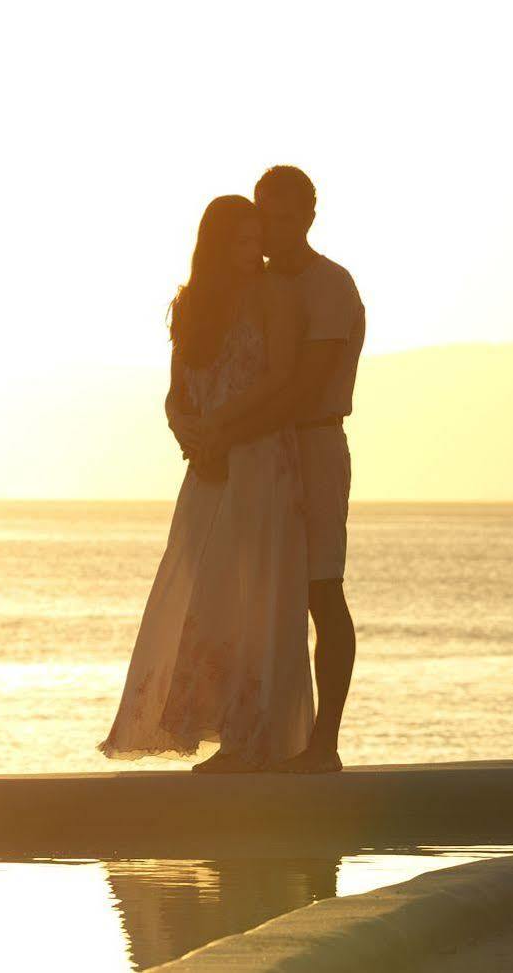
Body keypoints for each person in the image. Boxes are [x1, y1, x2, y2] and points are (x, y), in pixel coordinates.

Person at [99, 195, 314, 771]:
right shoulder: (192, 304)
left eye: (257, 241)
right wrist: (189, 430)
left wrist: (223, 426)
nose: (254, 253)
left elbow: (279, 378)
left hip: (261, 460)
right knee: (204, 597)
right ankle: (219, 730)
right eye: (242, 242)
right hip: (209, 466)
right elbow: (176, 389)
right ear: (217, 246)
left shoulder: (273, 297)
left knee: (257, 598)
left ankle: (253, 738)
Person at [185, 165, 365, 773]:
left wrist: (225, 434)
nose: (276, 230)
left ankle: (323, 746)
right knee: (250, 596)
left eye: (288, 217)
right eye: (267, 216)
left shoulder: (330, 287)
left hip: (312, 448)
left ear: (311, 214)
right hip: (258, 456)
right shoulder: (252, 287)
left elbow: (301, 386)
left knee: (321, 591)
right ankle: (249, 739)